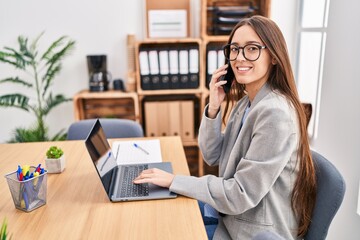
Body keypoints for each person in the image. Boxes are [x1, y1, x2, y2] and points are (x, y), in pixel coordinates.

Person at [134, 15, 316, 240]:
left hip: (254, 231)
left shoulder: (275, 114)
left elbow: (240, 194)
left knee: (165, 226)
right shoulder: (247, 102)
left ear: (274, 56)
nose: (240, 58)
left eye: (252, 49)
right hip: (232, 217)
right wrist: (213, 106)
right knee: (159, 213)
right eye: (234, 49)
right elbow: (211, 155)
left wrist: (174, 180)